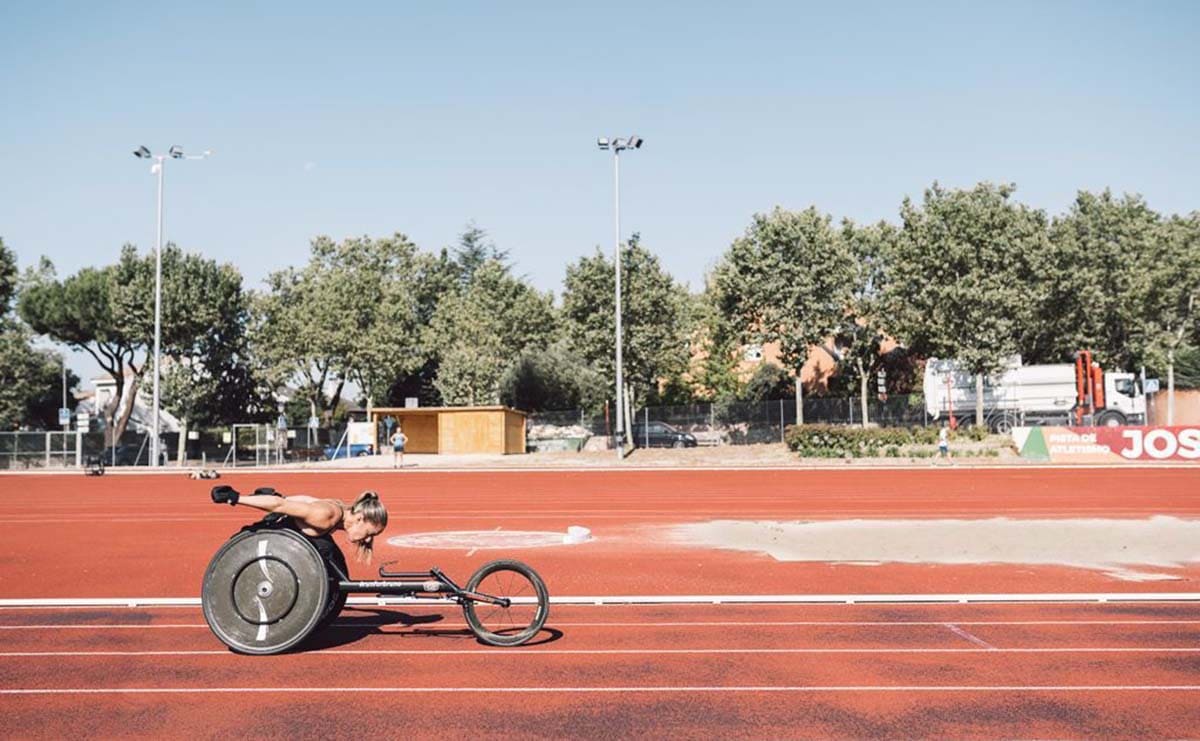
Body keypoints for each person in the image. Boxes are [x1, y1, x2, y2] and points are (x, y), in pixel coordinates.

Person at [212, 486, 388, 562]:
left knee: (328, 550)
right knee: (325, 548)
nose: (367, 541)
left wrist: (283, 497)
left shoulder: (339, 511)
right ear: (359, 519)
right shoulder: (326, 515)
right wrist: (236, 498)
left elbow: (306, 499)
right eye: (370, 533)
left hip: (285, 539)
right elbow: (279, 505)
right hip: (268, 543)